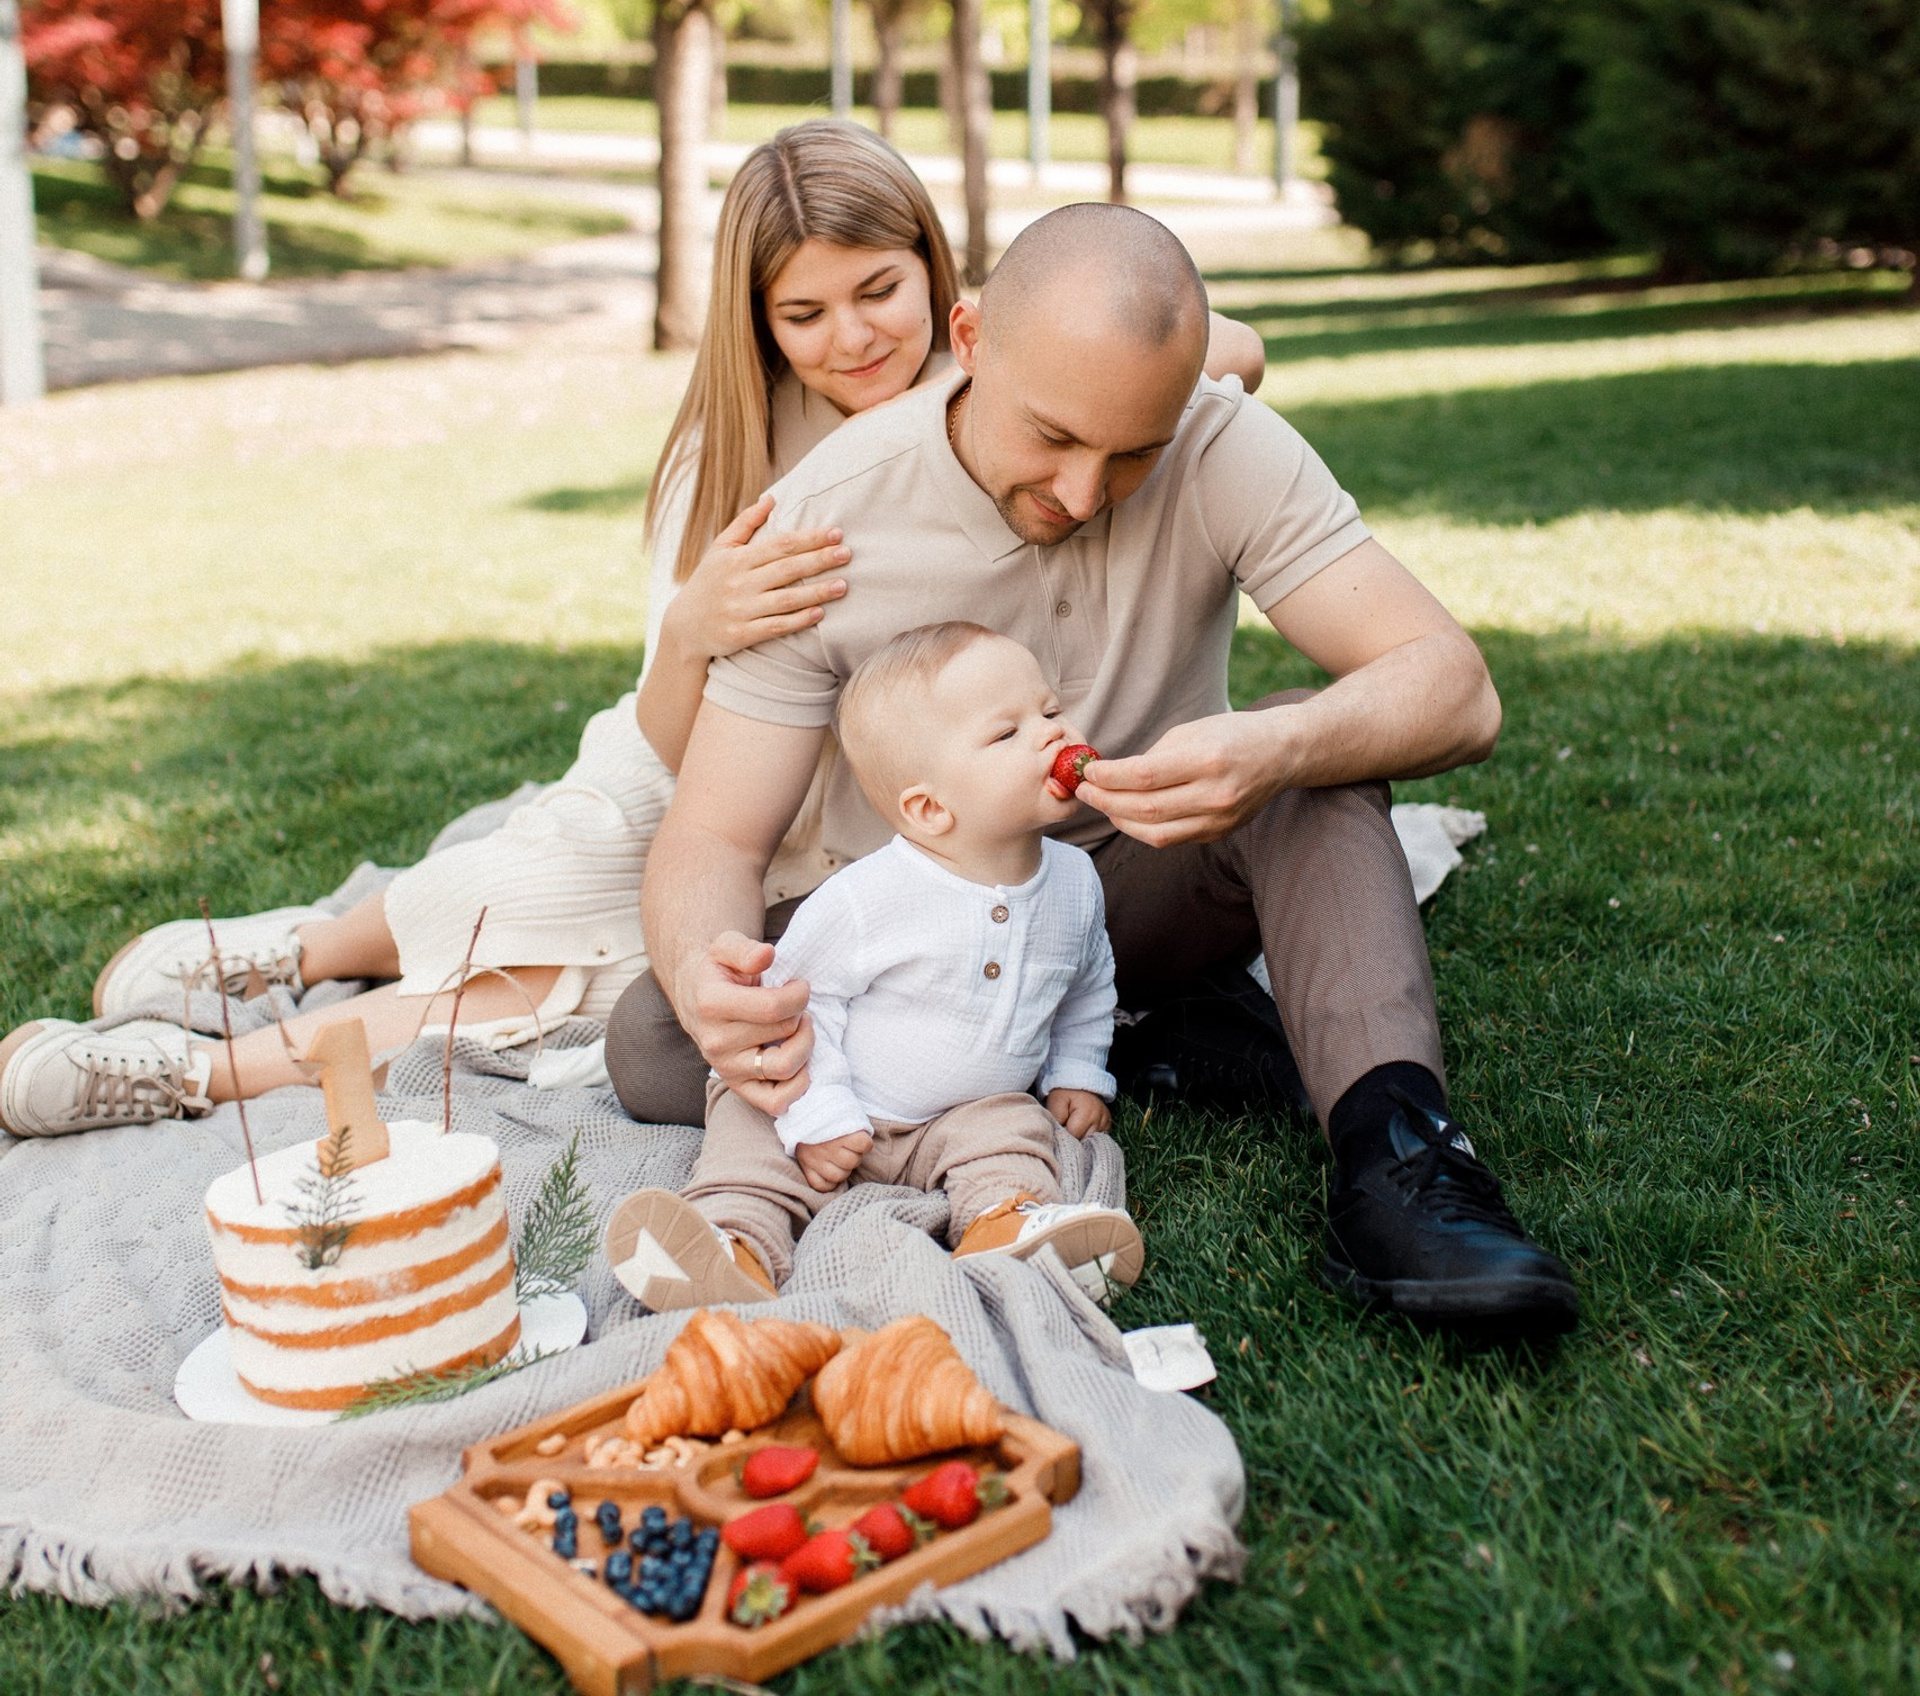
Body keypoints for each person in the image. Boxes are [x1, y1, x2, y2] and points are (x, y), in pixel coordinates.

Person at [0, 125, 1267, 1140]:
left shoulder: (1013, 402)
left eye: (880, 290)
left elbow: (1199, 349)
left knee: (553, 996)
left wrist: (1193, 362)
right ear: (758, 323)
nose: (856, 336)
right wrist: (695, 631)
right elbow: (675, 747)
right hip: (689, 761)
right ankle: (295, 952)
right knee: (551, 874)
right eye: (804, 314)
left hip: (856, 810)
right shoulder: (743, 466)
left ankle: (207, 1073)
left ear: (945, 280)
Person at [607, 202, 1581, 1338]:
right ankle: (1129, 1036)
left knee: (1319, 754)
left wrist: (1279, 747)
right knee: (655, 1033)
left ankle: (1405, 1169)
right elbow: (715, 836)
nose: (1080, 493)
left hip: (1140, 872)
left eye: (1133, 455)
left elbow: (1457, 687)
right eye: (1052, 437)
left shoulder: (1224, 445)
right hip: (917, 924)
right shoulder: (825, 519)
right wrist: (711, 978)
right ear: (967, 341)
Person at [603, 622, 1144, 1314]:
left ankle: (1005, 1223)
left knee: (1014, 1130)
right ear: (928, 808)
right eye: (1007, 734)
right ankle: (731, 1245)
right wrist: (819, 1115)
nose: (1052, 735)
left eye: (1049, 711)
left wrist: (1077, 1072)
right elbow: (797, 1007)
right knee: (748, 1127)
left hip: (957, 1117)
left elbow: (1088, 981)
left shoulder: (1073, 881)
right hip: (827, 1103)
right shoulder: (868, 900)